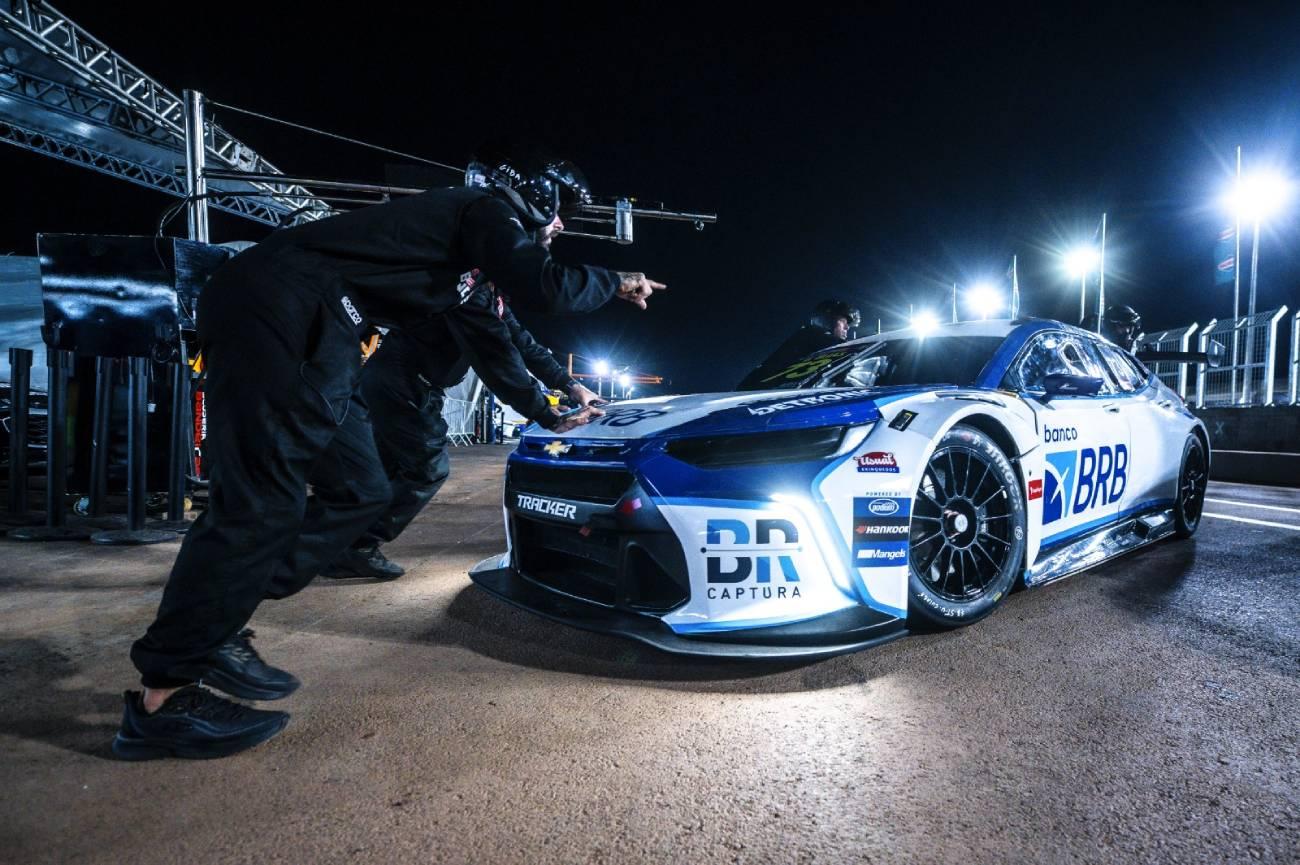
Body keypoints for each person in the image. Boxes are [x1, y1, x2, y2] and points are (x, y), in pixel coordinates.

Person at [114, 144, 666, 760]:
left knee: (361, 491)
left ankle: (216, 614)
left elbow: (504, 351)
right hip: (283, 308)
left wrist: (559, 405)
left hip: (325, 333)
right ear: (534, 197)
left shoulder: (470, 276)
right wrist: (616, 281)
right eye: (560, 211)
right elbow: (543, 288)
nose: (561, 225)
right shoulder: (484, 212)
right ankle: (167, 693)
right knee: (259, 503)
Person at [322, 210, 600, 580]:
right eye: (552, 218)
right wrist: (547, 414)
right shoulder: (467, 288)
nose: (560, 226)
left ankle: (334, 539)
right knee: (426, 468)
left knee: (387, 472)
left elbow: (525, 345)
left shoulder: (490, 291)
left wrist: (572, 385)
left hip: (407, 382)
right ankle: (354, 546)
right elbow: (499, 360)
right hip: (401, 380)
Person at [736, 299, 860, 390]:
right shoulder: (813, 335)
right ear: (827, 319)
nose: (847, 327)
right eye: (843, 321)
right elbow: (853, 354)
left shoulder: (810, 342)